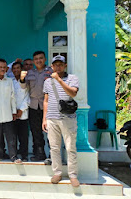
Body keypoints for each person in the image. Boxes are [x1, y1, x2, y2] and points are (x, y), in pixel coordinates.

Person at [42, 55, 80, 187]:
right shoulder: (47, 82)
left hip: (67, 118)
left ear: (65, 65)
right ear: (52, 66)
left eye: (60, 64)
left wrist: (59, 80)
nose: (58, 67)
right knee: (54, 148)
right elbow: (46, 101)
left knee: (70, 147)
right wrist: (44, 118)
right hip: (52, 118)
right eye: (55, 65)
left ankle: (73, 175)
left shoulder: (72, 78)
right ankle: (57, 173)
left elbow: (73, 93)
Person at [20, 51, 53, 161]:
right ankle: (40, 153)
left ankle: (52, 155)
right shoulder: (30, 73)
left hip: (48, 106)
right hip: (34, 106)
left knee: (50, 132)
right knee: (36, 132)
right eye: (36, 59)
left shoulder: (51, 72)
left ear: (45, 59)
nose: (38, 60)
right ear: (34, 61)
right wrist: (22, 79)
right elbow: (24, 87)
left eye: (41, 58)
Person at [12, 62, 30, 162]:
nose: (16, 70)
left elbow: (28, 97)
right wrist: (14, 111)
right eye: (14, 68)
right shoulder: (10, 81)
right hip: (13, 113)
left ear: (22, 69)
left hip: (23, 112)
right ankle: (14, 154)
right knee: (13, 136)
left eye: (18, 68)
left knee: (23, 137)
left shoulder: (26, 80)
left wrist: (21, 110)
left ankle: (24, 155)